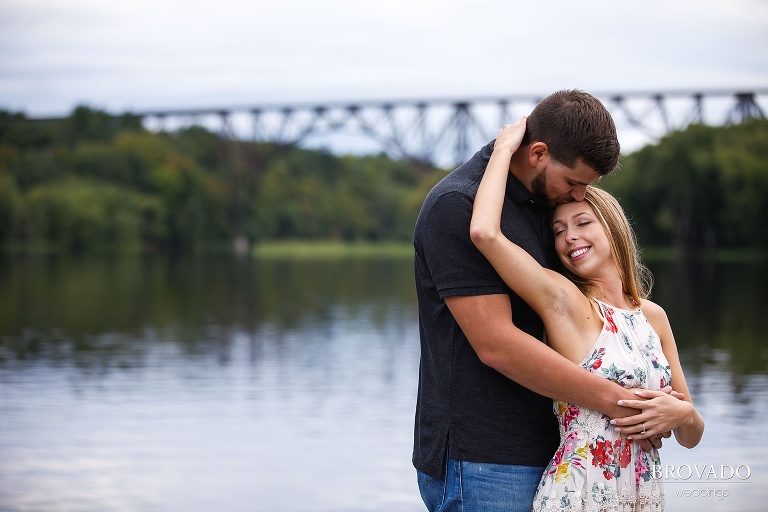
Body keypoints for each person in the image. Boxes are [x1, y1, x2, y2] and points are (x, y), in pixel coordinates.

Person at [413, 89, 664, 512]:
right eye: (574, 182)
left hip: (561, 453)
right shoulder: (458, 206)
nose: (580, 196)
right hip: (485, 461)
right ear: (539, 153)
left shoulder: (545, 206)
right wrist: (624, 405)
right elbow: (497, 345)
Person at [469, 118, 704, 510]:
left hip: (641, 493)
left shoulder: (653, 316)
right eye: (558, 231)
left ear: (612, 229)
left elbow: (691, 435)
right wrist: (503, 151)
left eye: (581, 223)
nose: (569, 237)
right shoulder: (565, 299)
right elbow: (485, 234)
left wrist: (680, 412)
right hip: (580, 493)